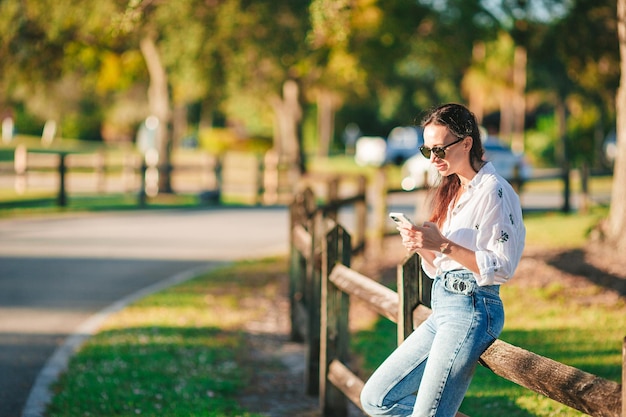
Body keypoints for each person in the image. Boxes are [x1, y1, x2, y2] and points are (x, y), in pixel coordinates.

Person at [360, 103, 526, 417]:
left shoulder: (495, 192)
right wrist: (424, 246)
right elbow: (442, 267)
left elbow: (502, 267)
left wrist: (444, 244)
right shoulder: (455, 191)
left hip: (473, 308)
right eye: (427, 151)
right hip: (443, 307)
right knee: (375, 398)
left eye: (440, 150)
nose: (434, 159)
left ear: (466, 143)